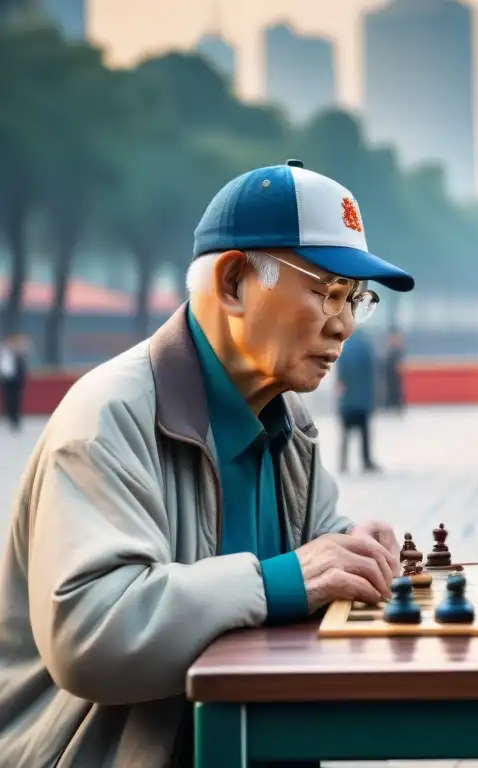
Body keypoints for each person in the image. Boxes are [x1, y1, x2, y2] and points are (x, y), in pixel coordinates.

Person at [0, 159, 415, 767]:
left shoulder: (288, 418)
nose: (346, 324)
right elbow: (90, 630)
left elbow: (312, 548)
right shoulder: (109, 416)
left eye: (356, 298)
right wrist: (288, 579)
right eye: (327, 291)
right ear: (232, 284)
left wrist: (349, 546)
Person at [336, 327, 380, 472]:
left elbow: (340, 377)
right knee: (364, 432)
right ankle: (366, 461)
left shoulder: (343, 349)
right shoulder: (366, 347)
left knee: (345, 433)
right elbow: (372, 373)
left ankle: (343, 463)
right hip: (363, 399)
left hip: (348, 399)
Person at [0, 333, 27, 431]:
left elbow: (22, 368)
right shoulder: (4, 353)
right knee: (8, 399)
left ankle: (16, 419)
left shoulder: (18, 353)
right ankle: (10, 417)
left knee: (17, 399)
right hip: (7, 380)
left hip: (17, 380)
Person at [382, 329, 405, 412]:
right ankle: (390, 406)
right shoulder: (390, 350)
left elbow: (399, 365)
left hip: (395, 377)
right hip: (389, 377)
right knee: (390, 391)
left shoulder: (397, 351)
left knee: (396, 391)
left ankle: (396, 407)